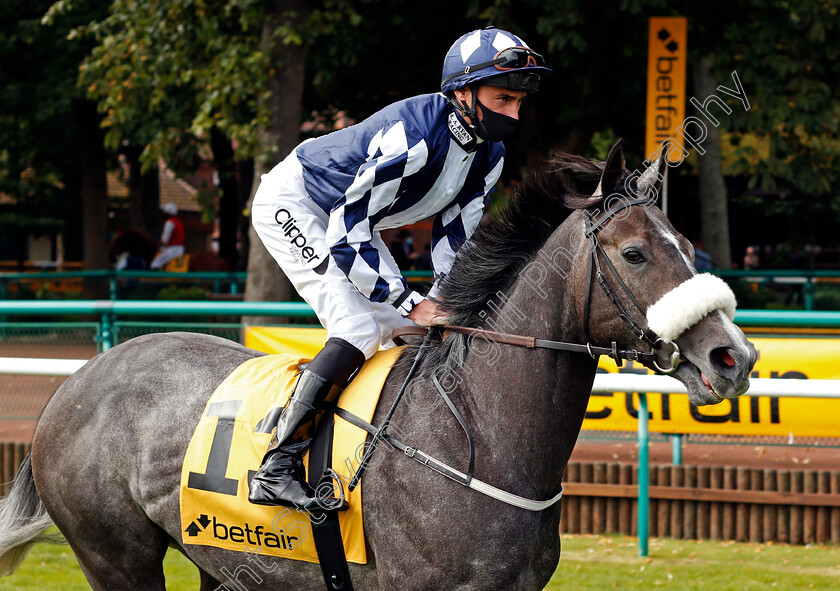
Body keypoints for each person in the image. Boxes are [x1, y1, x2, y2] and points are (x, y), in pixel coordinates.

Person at [248, 26, 552, 509]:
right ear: (463, 92)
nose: (514, 113)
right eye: (503, 99)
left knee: (411, 336)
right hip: (299, 204)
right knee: (357, 328)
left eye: (519, 102)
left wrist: (448, 304)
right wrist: (410, 301)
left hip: (354, 222)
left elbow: (457, 241)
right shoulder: (412, 136)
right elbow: (346, 230)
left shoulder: (490, 155)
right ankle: (275, 466)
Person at [149, 203, 186, 270]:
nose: (163, 213)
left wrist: (157, 244)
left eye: (164, 212)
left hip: (173, 249)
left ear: (167, 213)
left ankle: (156, 279)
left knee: (154, 263)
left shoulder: (169, 222)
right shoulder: (178, 222)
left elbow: (164, 240)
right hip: (180, 248)